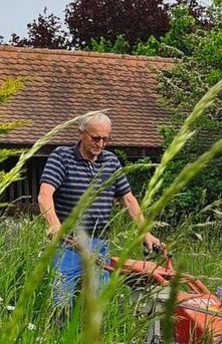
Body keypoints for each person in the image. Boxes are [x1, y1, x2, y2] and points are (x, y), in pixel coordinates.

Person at [38, 112, 162, 310]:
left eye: (106, 139)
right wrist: (54, 226)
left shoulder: (111, 161)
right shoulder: (61, 157)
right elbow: (45, 195)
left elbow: (128, 199)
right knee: (61, 303)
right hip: (68, 244)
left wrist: (145, 233)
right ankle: (58, 328)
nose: (101, 144)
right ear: (81, 133)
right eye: (95, 138)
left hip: (99, 244)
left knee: (98, 306)